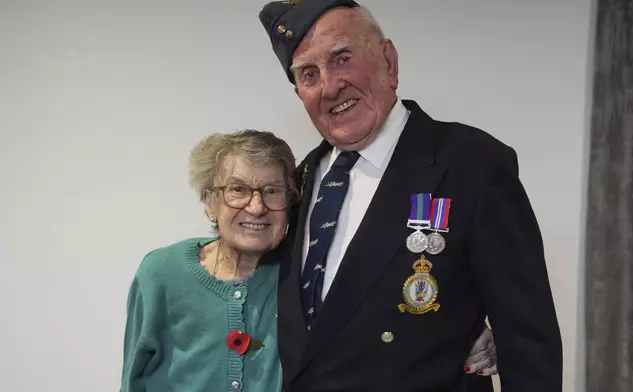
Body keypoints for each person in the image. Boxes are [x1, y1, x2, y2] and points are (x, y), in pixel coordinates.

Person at [258, 1, 563, 391]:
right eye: (309, 74)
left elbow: (528, 343)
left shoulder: (471, 165)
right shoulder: (298, 182)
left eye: (343, 58)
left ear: (389, 61)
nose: (330, 86)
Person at [119, 130, 497, 392]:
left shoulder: (308, 274)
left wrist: (463, 329)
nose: (256, 206)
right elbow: (134, 377)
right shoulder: (161, 273)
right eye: (237, 189)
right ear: (209, 201)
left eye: (272, 191)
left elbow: (383, 311)